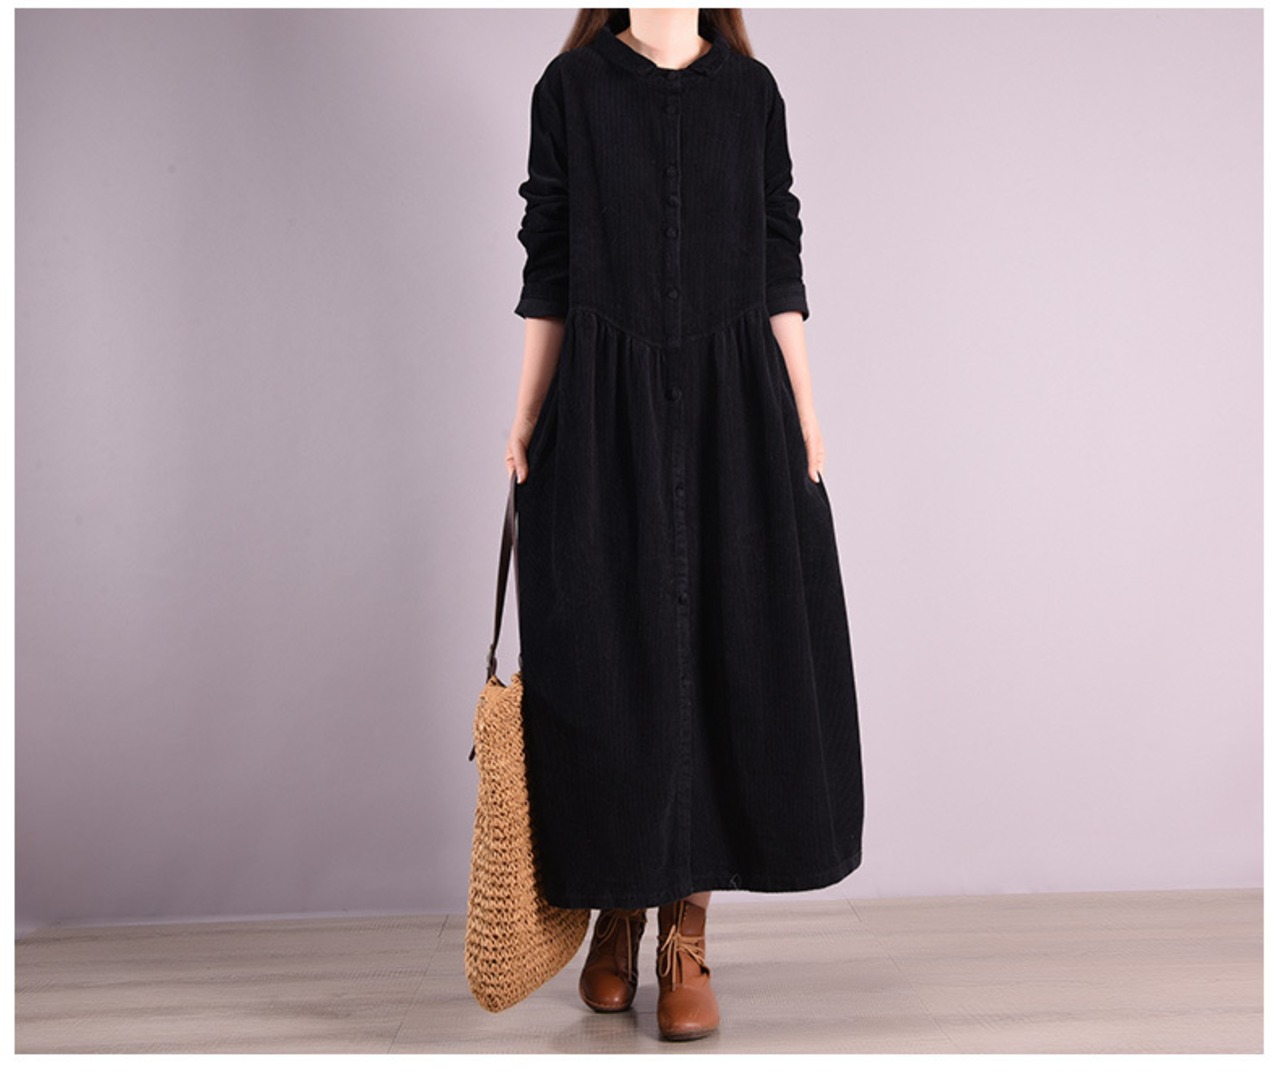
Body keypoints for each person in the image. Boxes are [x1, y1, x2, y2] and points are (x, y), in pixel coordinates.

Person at [504, 8, 864, 1042]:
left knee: (721, 658)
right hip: (601, 406)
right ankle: (618, 907)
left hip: (732, 410)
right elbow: (548, 263)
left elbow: (778, 260)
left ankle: (685, 932)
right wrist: (525, 416)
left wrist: (805, 412)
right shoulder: (569, 91)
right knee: (605, 665)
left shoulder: (751, 95)